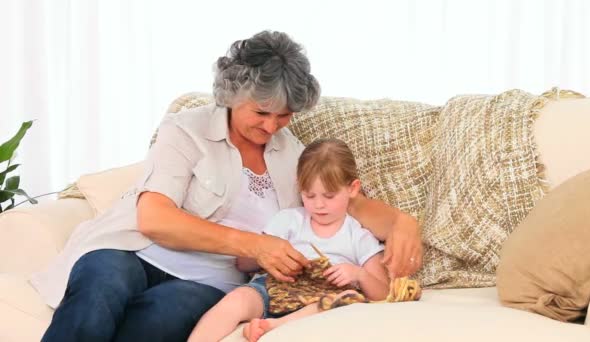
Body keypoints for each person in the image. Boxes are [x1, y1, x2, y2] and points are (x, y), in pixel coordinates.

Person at [31, 30, 422, 342]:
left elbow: (348, 204)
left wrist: (404, 223)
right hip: (131, 250)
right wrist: (254, 245)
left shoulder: (294, 156)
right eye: (261, 112)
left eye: (284, 116)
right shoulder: (185, 130)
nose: (271, 127)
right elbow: (153, 218)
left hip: (209, 280)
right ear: (233, 95)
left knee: (154, 323)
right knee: (99, 292)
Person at [188, 138, 390, 342]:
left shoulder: (358, 235)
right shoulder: (288, 220)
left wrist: (358, 274)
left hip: (322, 297)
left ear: (352, 189)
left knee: (338, 302)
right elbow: (243, 264)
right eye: (309, 196)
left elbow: (383, 293)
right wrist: (267, 255)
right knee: (236, 300)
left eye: (329, 196)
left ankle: (272, 325)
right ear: (299, 187)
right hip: (273, 289)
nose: (319, 205)